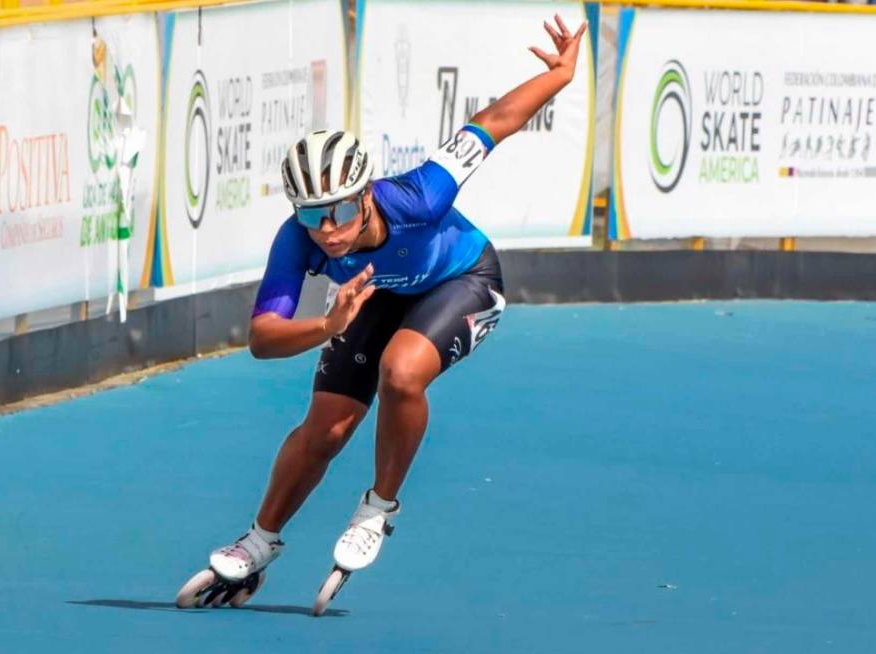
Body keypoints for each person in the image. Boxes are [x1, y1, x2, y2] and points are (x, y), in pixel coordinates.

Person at [177, 14, 588, 610]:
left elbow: (496, 121)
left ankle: (377, 509)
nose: (327, 231)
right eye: (310, 215)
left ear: (365, 194)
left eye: (339, 211)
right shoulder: (298, 239)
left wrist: (560, 75)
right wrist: (327, 325)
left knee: (401, 369)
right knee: (327, 427)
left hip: (465, 280)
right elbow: (262, 339)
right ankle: (259, 543)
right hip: (377, 297)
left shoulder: (423, 192)